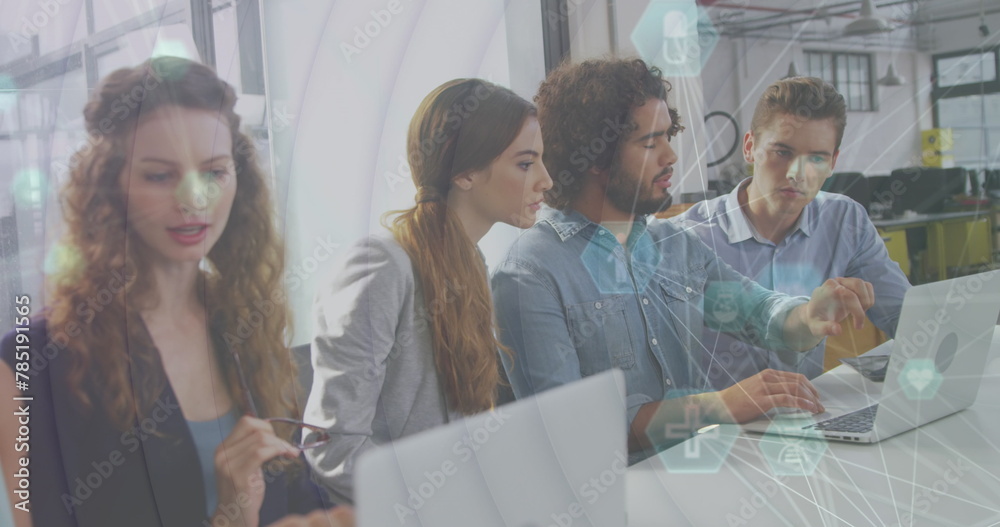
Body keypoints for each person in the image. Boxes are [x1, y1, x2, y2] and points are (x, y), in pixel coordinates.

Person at [0, 57, 351, 527]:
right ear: (110, 185)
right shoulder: (29, 361)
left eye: (214, 172)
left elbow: (287, 494)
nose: (194, 199)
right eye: (160, 176)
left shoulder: (245, 321)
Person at [490, 58, 874, 461]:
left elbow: (762, 314)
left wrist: (810, 315)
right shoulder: (530, 275)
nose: (671, 156)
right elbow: (569, 434)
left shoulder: (673, 245)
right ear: (596, 156)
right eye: (650, 143)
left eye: (668, 137)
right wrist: (719, 406)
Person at [303, 78, 551, 503]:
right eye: (526, 164)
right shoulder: (381, 267)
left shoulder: (469, 263)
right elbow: (333, 447)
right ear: (465, 173)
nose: (546, 180)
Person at [671, 76, 910, 388]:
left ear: (833, 162)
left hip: (806, 418)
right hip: (717, 428)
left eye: (816, 158)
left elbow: (906, 318)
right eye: (782, 152)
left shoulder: (844, 221)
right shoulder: (689, 237)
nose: (797, 173)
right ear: (750, 147)